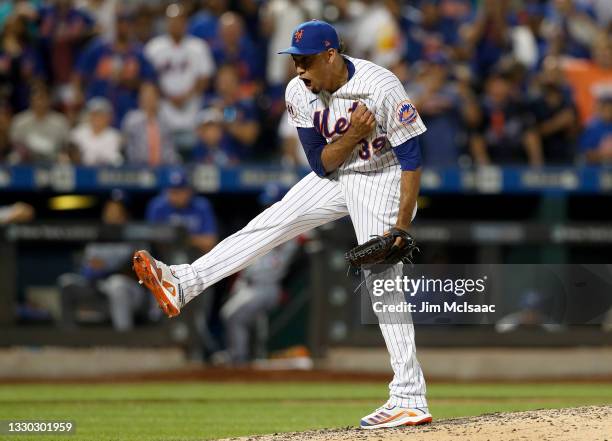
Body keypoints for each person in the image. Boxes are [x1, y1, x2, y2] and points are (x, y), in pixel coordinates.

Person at [134, 20, 432, 429]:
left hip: (386, 175)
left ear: (331, 55)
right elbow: (321, 164)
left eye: (307, 61)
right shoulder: (298, 92)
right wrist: (351, 137)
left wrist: (402, 225)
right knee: (272, 221)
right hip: (342, 172)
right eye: (295, 62)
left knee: (381, 277)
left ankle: (409, 396)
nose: (300, 71)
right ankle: (184, 282)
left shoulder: (380, 86)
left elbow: (413, 158)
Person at [219, 184, 299, 365]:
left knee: (232, 315)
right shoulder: (263, 225)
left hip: (266, 287)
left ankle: (238, 358)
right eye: (267, 205)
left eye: (272, 205)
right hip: (249, 284)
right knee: (233, 314)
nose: (268, 209)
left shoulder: (290, 228)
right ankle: (245, 356)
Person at [58, 190, 148, 331]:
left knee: (117, 284)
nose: (112, 214)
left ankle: (124, 337)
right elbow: (87, 271)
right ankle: (69, 336)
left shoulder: (136, 237)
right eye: (109, 210)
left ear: (126, 214)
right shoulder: (96, 236)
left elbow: (140, 273)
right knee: (66, 283)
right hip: (100, 288)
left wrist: (108, 267)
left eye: (118, 210)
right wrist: (91, 270)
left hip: (132, 294)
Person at [144, 3, 215, 149]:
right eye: (173, 20)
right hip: (162, 113)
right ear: (166, 22)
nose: (176, 24)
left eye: (180, 20)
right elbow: (148, 81)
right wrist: (168, 96)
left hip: (192, 113)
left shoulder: (198, 47)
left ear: (186, 22)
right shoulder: (154, 47)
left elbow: (205, 78)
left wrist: (186, 96)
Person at [73, 8, 156, 126]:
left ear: (132, 26)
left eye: (127, 23)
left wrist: (127, 81)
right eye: (120, 22)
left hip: (128, 111)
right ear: (115, 24)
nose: (123, 26)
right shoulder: (98, 48)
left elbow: (149, 83)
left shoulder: (138, 52)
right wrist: (79, 97)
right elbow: (79, 73)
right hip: (98, 109)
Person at [145, 169, 218, 256]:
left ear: (189, 191)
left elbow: (210, 241)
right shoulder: (158, 205)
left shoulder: (201, 205)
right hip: (165, 258)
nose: (177, 196)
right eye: (173, 192)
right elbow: (151, 239)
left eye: (181, 191)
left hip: (196, 257)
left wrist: (184, 239)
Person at [9, 85, 70, 163]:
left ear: (49, 100)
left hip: (53, 157)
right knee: (13, 158)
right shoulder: (20, 121)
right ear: (31, 100)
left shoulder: (60, 121)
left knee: (65, 159)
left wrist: (63, 154)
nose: (40, 102)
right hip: (27, 157)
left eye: (43, 98)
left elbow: (65, 145)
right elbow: (14, 143)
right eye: (37, 99)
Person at [122, 83, 178, 166]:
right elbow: (125, 143)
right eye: (145, 95)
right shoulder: (132, 118)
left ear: (157, 98)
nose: (148, 99)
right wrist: (147, 116)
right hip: (137, 167)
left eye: (152, 95)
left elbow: (169, 147)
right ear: (140, 98)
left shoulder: (164, 121)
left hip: (162, 167)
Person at [70, 96, 122, 165]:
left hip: (105, 172)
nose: (98, 118)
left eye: (101, 115)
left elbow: (117, 162)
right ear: (89, 115)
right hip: (80, 171)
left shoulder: (115, 136)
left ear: (109, 117)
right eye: (95, 114)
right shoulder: (78, 133)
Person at [580, 93, 612, 164]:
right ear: (601, 110)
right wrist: (605, 155)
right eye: (606, 109)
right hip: (596, 168)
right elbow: (587, 153)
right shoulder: (592, 128)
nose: (609, 112)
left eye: (610, 109)